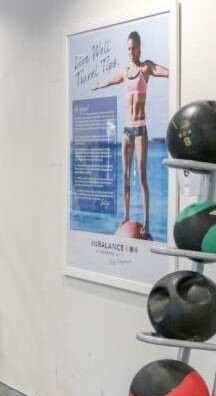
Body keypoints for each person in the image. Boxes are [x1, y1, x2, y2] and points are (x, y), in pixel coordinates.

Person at [93, 30, 169, 240]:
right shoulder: (126, 71)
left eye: (133, 47)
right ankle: (126, 215)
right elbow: (112, 80)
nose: (130, 51)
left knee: (142, 177)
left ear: (139, 47)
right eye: (127, 48)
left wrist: (178, 71)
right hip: (126, 129)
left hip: (140, 128)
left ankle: (147, 222)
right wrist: (100, 85)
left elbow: (166, 71)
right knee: (125, 176)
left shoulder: (147, 68)